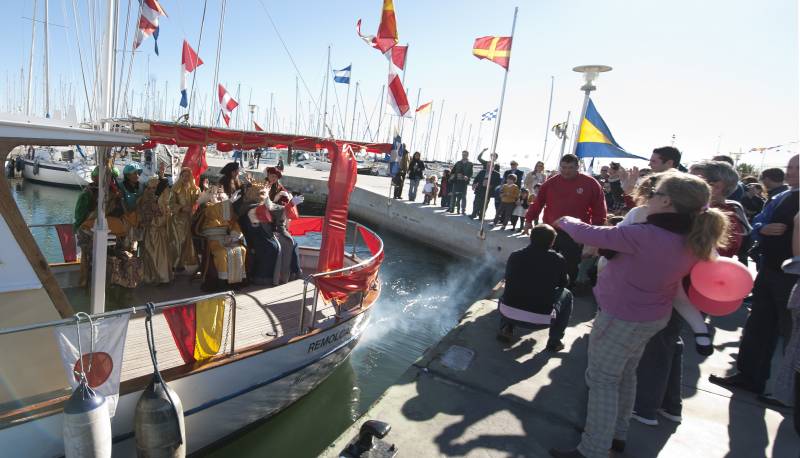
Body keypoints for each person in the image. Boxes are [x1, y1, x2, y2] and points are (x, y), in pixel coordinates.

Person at [549, 172, 729, 458]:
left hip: (621, 318)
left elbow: (589, 234)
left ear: (667, 201)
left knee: (602, 380)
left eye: (655, 193)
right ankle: (618, 435)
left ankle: (593, 449)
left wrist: (565, 219)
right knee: (626, 375)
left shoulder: (643, 235)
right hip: (651, 318)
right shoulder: (690, 240)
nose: (649, 197)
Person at [630, 161, 749, 427]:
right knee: (671, 345)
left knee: (657, 349)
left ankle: (645, 407)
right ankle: (670, 404)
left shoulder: (705, 217)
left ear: (714, 186)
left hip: (675, 290)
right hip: (689, 292)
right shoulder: (716, 214)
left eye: (693, 177)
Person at [710, 154, 799, 395]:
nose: (790, 172)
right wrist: (763, 229)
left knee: (792, 336)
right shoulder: (781, 196)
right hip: (770, 270)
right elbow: (756, 224)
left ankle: (789, 394)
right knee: (758, 326)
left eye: (796, 168)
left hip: (794, 278)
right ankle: (749, 376)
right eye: (789, 166)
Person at [525, 154, 607, 287]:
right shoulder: (551, 182)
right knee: (544, 260)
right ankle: (542, 286)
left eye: (570, 167)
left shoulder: (591, 184)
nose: (566, 171)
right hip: (551, 230)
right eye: (563, 167)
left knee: (571, 264)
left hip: (575, 233)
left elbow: (599, 210)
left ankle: (565, 289)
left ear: (577, 167)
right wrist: (528, 220)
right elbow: (538, 203)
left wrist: (593, 236)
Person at [497, 224, 573, 351]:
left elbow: (507, 277)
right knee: (567, 294)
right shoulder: (558, 259)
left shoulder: (515, 256)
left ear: (530, 238)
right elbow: (563, 283)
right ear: (552, 242)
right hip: (540, 319)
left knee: (512, 286)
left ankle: (506, 328)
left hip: (507, 312)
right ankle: (554, 341)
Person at [139, 177, 173, 285]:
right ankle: (151, 276)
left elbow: (165, 213)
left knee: (158, 254)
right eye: (149, 188)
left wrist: (157, 216)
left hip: (157, 230)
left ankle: (162, 277)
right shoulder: (146, 198)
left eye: (153, 188)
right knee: (149, 253)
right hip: (149, 230)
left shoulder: (163, 199)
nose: (151, 190)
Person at [169, 167, 200, 273]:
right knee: (178, 242)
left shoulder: (194, 189)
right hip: (178, 221)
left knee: (187, 243)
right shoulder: (175, 188)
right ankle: (173, 264)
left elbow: (199, 199)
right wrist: (181, 208)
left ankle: (181, 264)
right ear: (181, 176)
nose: (186, 178)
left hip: (189, 220)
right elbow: (170, 204)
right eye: (184, 176)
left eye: (188, 176)